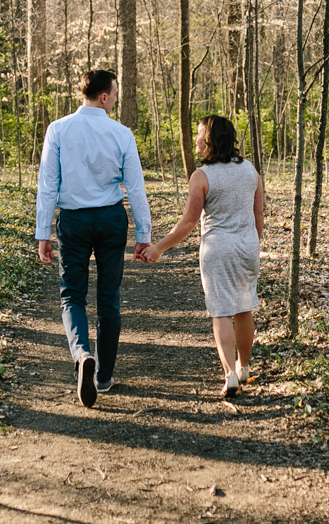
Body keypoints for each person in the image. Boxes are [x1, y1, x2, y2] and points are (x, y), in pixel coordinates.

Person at [34, 69, 153, 408]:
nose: (115, 99)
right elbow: (136, 188)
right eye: (114, 93)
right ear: (104, 96)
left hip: (73, 221)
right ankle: (103, 376)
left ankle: (82, 353)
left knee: (72, 295)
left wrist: (43, 233)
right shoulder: (121, 133)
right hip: (111, 219)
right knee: (109, 297)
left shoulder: (57, 129)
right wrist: (143, 234)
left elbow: (47, 187)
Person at [143, 115, 264, 398]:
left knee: (221, 312)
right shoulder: (251, 171)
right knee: (244, 308)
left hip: (217, 250)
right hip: (247, 247)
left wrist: (158, 247)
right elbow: (258, 214)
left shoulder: (202, 176)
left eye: (199, 134)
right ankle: (244, 367)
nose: (195, 139)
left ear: (209, 140)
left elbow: (188, 223)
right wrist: (252, 242)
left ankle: (230, 375)